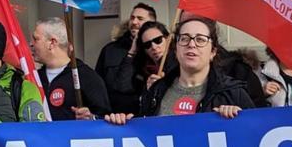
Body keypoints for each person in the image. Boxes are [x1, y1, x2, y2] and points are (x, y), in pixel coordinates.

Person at [105, 17, 254, 124]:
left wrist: (240, 119)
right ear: (175, 50)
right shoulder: (156, 90)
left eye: (200, 40)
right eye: (184, 38)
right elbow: (144, 135)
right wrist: (122, 125)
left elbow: (255, 137)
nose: (191, 45)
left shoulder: (234, 93)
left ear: (213, 52)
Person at [32, 17, 111, 121]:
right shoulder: (34, 78)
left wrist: (91, 117)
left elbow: (105, 117)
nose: (31, 44)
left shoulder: (86, 76)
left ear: (52, 43)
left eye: (36, 39)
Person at [95, 3, 157, 113]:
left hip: (146, 116)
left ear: (151, 24)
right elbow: (97, 85)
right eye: (132, 18)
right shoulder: (110, 50)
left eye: (140, 19)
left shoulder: (156, 50)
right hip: (113, 116)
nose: (134, 22)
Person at [108, 21, 175, 107]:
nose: (154, 47)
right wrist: (132, 52)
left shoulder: (179, 62)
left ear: (167, 39)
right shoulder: (142, 67)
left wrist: (163, 85)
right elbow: (122, 87)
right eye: (147, 45)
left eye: (158, 40)